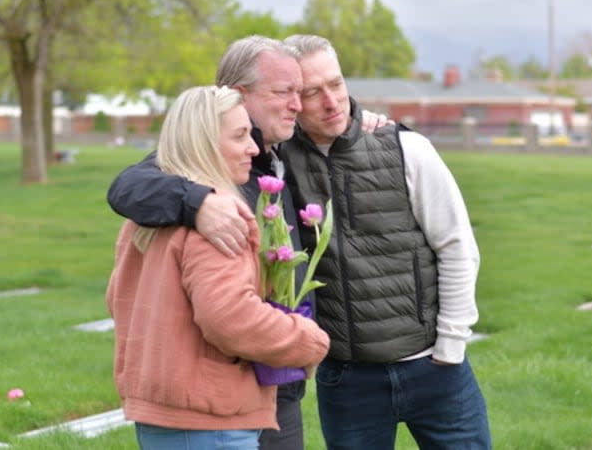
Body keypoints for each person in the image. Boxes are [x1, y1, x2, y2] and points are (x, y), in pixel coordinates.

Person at [106, 35, 389, 450]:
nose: (299, 104)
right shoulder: (208, 174)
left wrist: (367, 122)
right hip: (223, 394)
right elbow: (126, 187)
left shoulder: (284, 146)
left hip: (265, 389)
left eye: (301, 92)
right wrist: (198, 202)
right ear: (240, 95)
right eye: (284, 92)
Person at [279, 34, 491, 449]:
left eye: (336, 84)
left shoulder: (406, 147)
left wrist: (450, 345)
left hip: (436, 369)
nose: (332, 101)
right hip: (347, 379)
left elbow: (457, 247)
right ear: (290, 99)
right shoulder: (275, 159)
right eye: (312, 92)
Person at [106, 85, 330, 450]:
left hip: (158, 417)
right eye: (240, 136)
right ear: (205, 143)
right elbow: (231, 319)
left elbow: (118, 300)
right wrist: (309, 339)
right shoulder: (220, 218)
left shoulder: (143, 222)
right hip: (212, 423)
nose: (254, 148)